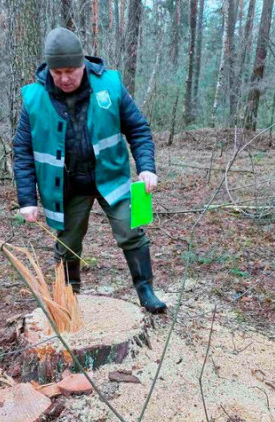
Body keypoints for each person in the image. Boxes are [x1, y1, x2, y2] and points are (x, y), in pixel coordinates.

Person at [12, 27, 166, 314]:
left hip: (111, 178)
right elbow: (22, 152)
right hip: (65, 186)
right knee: (67, 245)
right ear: (49, 69)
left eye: (70, 70)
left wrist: (146, 167)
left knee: (131, 231)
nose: (64, 79)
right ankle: (70, 300)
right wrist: (27, 200)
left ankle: (145, 290)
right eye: (57, 73)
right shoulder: (33, 98)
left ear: (83, 64)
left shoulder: (109, 85)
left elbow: (138, 129)